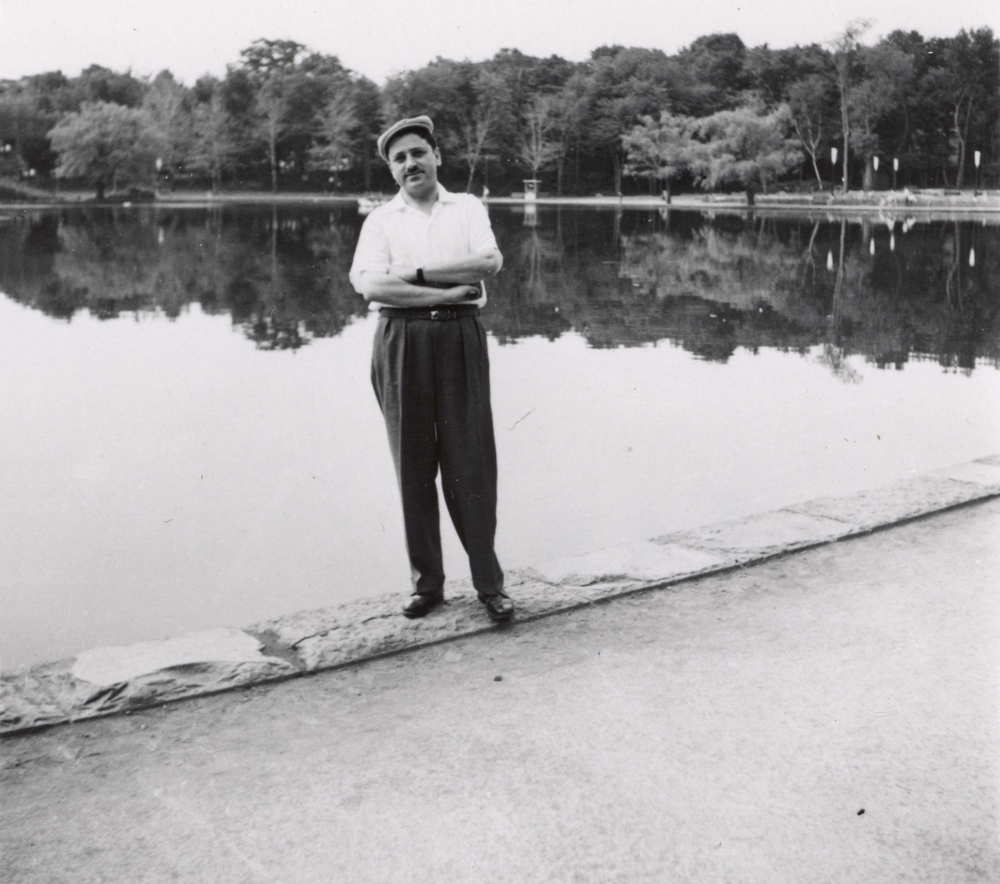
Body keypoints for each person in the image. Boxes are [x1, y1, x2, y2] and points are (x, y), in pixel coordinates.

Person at [349, 116, 514, 623]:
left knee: (472, 461)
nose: (410, 164)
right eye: (399, 158)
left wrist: (413, 273)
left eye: (418, 152)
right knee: (413, 465)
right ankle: (428, 585)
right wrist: (443, 289)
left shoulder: (466, 208)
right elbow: (372, 287)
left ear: (437, 156)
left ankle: (489, 584)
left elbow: (487, 262)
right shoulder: (380, 221)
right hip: (401, 341)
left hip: (460, 337)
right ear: (391, 170)